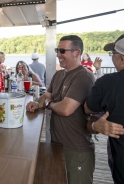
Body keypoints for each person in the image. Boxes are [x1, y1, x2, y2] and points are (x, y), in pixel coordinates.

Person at [26, 35, 95, 184]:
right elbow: (46, 95)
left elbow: (66, 109)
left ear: (77, 53)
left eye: (62, 51)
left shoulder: (84, 77)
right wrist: (38, 104)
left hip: (76, 149)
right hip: (58, 145)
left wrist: (47, 105)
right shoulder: (59, 74)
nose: (58, 54)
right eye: (57, 50)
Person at [84, 32, 124, 183]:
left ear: (122, 59)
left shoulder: (109, 83)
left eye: (112, 53)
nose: (111, 57)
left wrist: (95, 124)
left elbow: (88, 109)